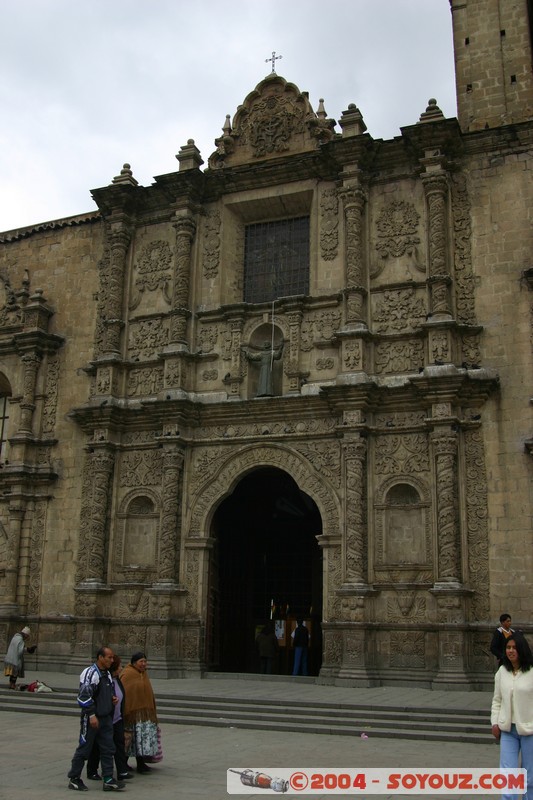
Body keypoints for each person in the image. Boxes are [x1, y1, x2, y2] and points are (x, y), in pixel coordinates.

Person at [67, 646, 124, 792]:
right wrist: (91, 715)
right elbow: (84, 697)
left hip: (105, 718)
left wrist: (112, 699)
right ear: (100, 657)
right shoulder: (90, 673)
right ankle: (74, 778)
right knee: (85, 748)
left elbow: (107, 691)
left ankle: (108, 779)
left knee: (108, 748)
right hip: (92, 718)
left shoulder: (107, 674)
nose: (112, 660)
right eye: (109, 657)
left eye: (112, 657)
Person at [491, 633, 533, 800]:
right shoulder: (502, 671)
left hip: (529, 730)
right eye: (508, 648)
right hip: (508, 730)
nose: (511, 651)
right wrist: (494, 722)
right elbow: (497, 700)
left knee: (529, 776)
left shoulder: (531, 672)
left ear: (522, 649)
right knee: (508, 774)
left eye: (514, 647)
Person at [87, 655, 134, 782]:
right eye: (119, 666)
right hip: (105, 717)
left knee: (119, 743)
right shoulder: (103, 679)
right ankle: (92, 770)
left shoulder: (117, 680)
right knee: (99, 745)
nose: (121, 668)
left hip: (117, 718)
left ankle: (121, 771)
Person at [120, 652, 161, 773]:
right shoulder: (128, 674)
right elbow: (124, 693)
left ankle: (141, 763)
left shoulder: (144, 674)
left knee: (141, 741)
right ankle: (123, 763)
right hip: (131, 715)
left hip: (144, 715)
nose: (143, 664)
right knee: (130, 740)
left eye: (145, 661)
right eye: (141, 662)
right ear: (134, 663)